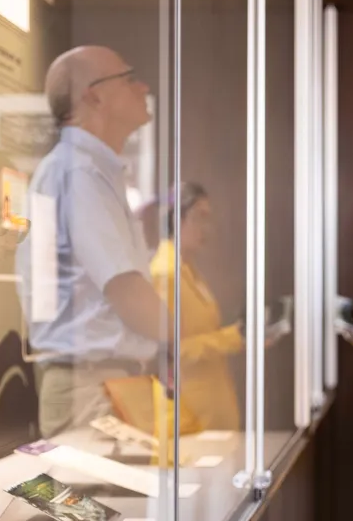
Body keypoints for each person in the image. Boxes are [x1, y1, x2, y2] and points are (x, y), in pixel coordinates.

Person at [16, 46, 170, 437]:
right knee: (111, 497)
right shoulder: (79, 172)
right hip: (93, 390)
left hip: (104, 384)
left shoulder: (85, 170)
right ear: (95, 94)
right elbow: (128, 293)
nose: (143, 87)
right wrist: (196, 336)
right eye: (129, 78)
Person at [148, 182, 244, 432]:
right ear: (175, 218)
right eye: (200, 218)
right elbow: (170, 352)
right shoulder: (165, 274)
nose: (207, 228)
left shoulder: (187, 270)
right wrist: (234, 337)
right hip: (188, 420)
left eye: (208, 219)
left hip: (210, 416)